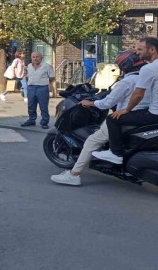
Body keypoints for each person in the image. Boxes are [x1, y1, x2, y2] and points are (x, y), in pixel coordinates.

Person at [51, 50, 150, 186]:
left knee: (91, 141)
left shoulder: (127, 81)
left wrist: (90, 103)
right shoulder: (148, 78)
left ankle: (74, 175)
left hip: (123, 117)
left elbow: (107, 103)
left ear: (125, 65)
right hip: (144, 116)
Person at [93, 37, 158, 165]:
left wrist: (126, 110)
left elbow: (138, 95)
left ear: (152, 49)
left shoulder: (148, 68)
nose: (137, 53)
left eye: (140, 49)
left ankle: (115, 153)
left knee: (113, 119)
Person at [21, 51, 55, 129]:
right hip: (31, 87)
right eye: (33, 57)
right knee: (31, 105)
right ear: (31, 58)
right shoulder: (29, 66)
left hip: (42, 88)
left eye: (37, 57)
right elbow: (27, 76)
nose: (35, 58)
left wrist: (45, 83)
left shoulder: (47, 66)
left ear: (41, 58)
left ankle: (44, 122)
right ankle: (31, 120)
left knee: (43, 106)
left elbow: (52, 77)